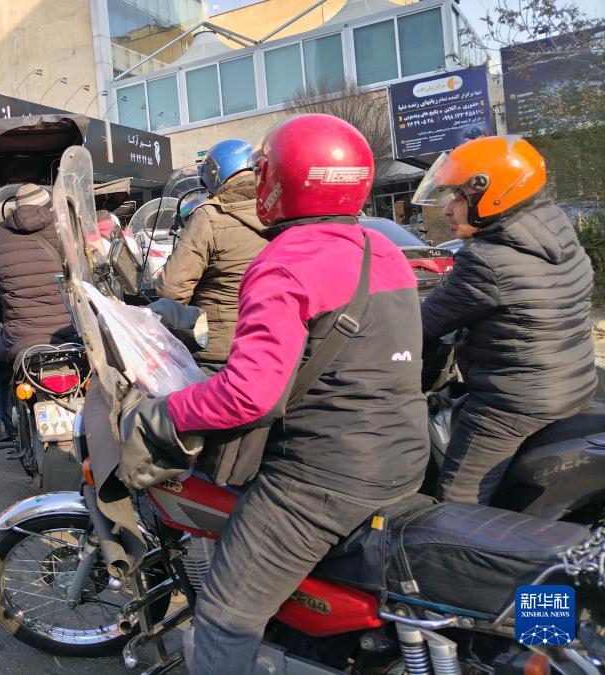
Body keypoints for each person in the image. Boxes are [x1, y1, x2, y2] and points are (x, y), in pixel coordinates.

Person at [119, 115, 429, 674]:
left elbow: (250, 394)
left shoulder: (286, 262)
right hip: (404, 455)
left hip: (320, 479)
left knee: (224, 613)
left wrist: (164, 413)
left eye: (266, 171)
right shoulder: (382, 250)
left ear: (284, 181)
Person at [414, 135, 596, 504]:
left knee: (457, 500)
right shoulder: (559, 238)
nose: (447, 210)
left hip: (511, 406)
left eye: (458, 197)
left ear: (493, 195)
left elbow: (420, 325)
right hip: (573, 386)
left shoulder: (485, 260)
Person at [0, 183, 79, 446]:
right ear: (47, 205)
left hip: (20, 337)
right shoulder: (65, 232)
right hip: (68, 333)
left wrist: (4, 315)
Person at [156, 139, 267, 372]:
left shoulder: (210, 216)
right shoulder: (277, 209)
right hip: (277, 345)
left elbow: (171, 290)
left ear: (215, 173)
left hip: (222, 352)